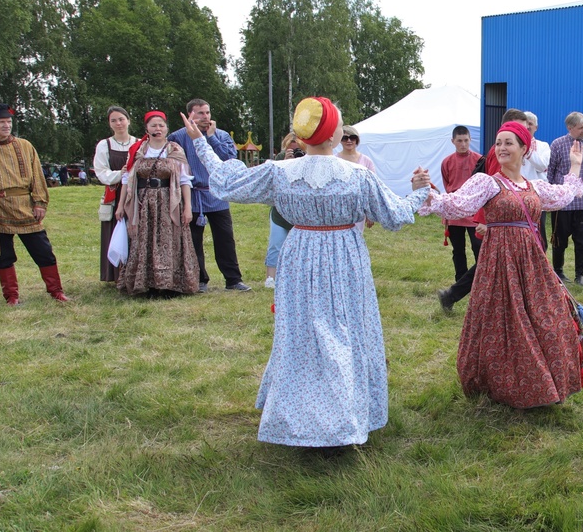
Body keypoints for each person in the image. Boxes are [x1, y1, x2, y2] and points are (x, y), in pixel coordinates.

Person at [182, 96, 431, 451]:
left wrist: (199, 143)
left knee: (300, 335)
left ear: (300, 138)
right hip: (344, 257)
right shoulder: (358, 175)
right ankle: (341, 420)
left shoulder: (279, 172)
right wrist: (419, 194)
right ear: (332, 137)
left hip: (299, 254)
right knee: (345, 332)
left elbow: (229, 180)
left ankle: (302, 416)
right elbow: (394, 215)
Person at [420, 121, 583, 408]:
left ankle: (546, 381)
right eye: (498, 143)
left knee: (546, 318)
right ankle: (502, 383)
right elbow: (456, 204)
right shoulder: (488, 182)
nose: (501, 148)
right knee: (501, 323)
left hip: (532, 263)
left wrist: (575, 166)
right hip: (499, 263)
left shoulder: (534, 186)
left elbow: (563, 195)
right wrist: (428, 194)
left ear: (524, 149)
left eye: (508, 142)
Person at [0, 103, 69, 304]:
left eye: (9, 121)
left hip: (26, 206)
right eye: (1, 122)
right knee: (2, 256)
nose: (6, 125)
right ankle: (11, 296)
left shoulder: (25, 145)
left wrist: (40, 202)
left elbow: (38, 177)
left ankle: (56, 291)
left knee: (43, 251)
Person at [437, 109, 527, 312]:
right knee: (487, 260)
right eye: (520, 126)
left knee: (492, 261)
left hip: (515, 219)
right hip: (494, 218)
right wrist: (487, 220)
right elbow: (492, 190)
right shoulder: (499, 154)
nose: (525, 129)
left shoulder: (518, 150)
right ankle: (455, 295)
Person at [167, 98, 250, 293]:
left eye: (207, 113)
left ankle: (233, 279)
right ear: (190, 115)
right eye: (200, 113)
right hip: (193, 195)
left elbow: (230, 160)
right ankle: (199, 280)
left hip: (218, 195)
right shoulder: (177, 137)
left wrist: (212, 138)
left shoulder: (221, 135)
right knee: (194, 240)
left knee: (225, 239)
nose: (205, 117)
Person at [115, 110, 198, 296]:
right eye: (153, 125)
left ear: (166, 128)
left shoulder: (174, 149)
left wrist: (188, 208)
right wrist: (121, 206)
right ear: (147, 128)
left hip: (169, 202)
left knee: (170, 241)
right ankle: (147, 284)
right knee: (144, 241)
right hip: (143, 203)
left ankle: (170, 285)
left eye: (161, 125)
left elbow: (185, 180)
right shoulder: (138, 150)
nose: (157, 128)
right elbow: (127, 179)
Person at [547, 111, 583, 286]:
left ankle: (580, 274)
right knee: (559, 240)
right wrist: (554, 194)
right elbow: (550, 171)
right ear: (570, 128)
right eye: (580, 127)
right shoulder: (557, 144)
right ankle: (558, 272)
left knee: (582, 241)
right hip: (562, 204)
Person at [93, 106, 137, 282]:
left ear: (128, 120)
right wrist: (121, 173)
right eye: (114, 120)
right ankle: (116, 275)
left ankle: (135, 273)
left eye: (121, 119)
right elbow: (101, 172)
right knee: (115, 231)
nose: (118, 123)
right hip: (115, 194)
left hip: (135, 194)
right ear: (110, 124)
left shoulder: (139, 142)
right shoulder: (105, 145)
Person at [440, 125, 483, 282]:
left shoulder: (479, 160)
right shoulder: (447, 162)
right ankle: (461, 281)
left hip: (474, 212)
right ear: (453, 141)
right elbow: (447, 184)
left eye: (466, 140)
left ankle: (479, 281)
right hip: (455, 212)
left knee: (478, 248)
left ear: (470, 139)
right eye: (459, 141)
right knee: (458, 250)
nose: (463, 144)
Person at [264, 133, 300, 289]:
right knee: (276, 243)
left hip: (299, 211)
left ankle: (295, 277)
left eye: (297, 148)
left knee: (298, 246)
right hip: (280, 211)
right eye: (291, 148)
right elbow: (272, 181)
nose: (294, 151)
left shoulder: (307, 158)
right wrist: (285, 162)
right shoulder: (279, 159)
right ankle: (270, 278)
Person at [337, 124, 377, 231]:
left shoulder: (366, 161)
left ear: (357, 140)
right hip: (339, 206)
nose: (349, 141)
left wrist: (370, 213)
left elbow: (372, 188)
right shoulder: (335, 160)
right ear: (340, 140)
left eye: (352, 138)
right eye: (345, 138)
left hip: (359, 207)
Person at [524, 111, 552, 249]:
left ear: (536, 127)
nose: (528, 126)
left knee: (539, 234)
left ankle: (540, 265)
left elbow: (542, 165)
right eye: (525, 123)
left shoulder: (543, 146)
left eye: (531, 124)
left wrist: (527, 150)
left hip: (537, 196)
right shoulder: (513, 145)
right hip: (517, 195)